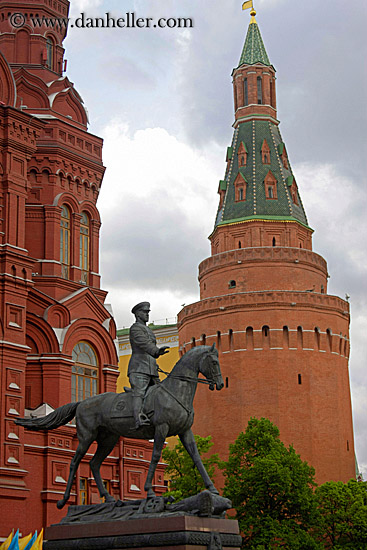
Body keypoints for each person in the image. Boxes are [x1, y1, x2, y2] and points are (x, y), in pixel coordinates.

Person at [128, 302, 169, 429]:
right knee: (139, 392)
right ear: (137, 314)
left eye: (148, 312)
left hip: (151, 369)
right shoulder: (135, 328)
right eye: (145, 312)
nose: (147, 314)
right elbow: (144, 343)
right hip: (139, 368)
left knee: (162, 392)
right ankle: (137, 419)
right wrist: (156, 351)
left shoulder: (148, 330)